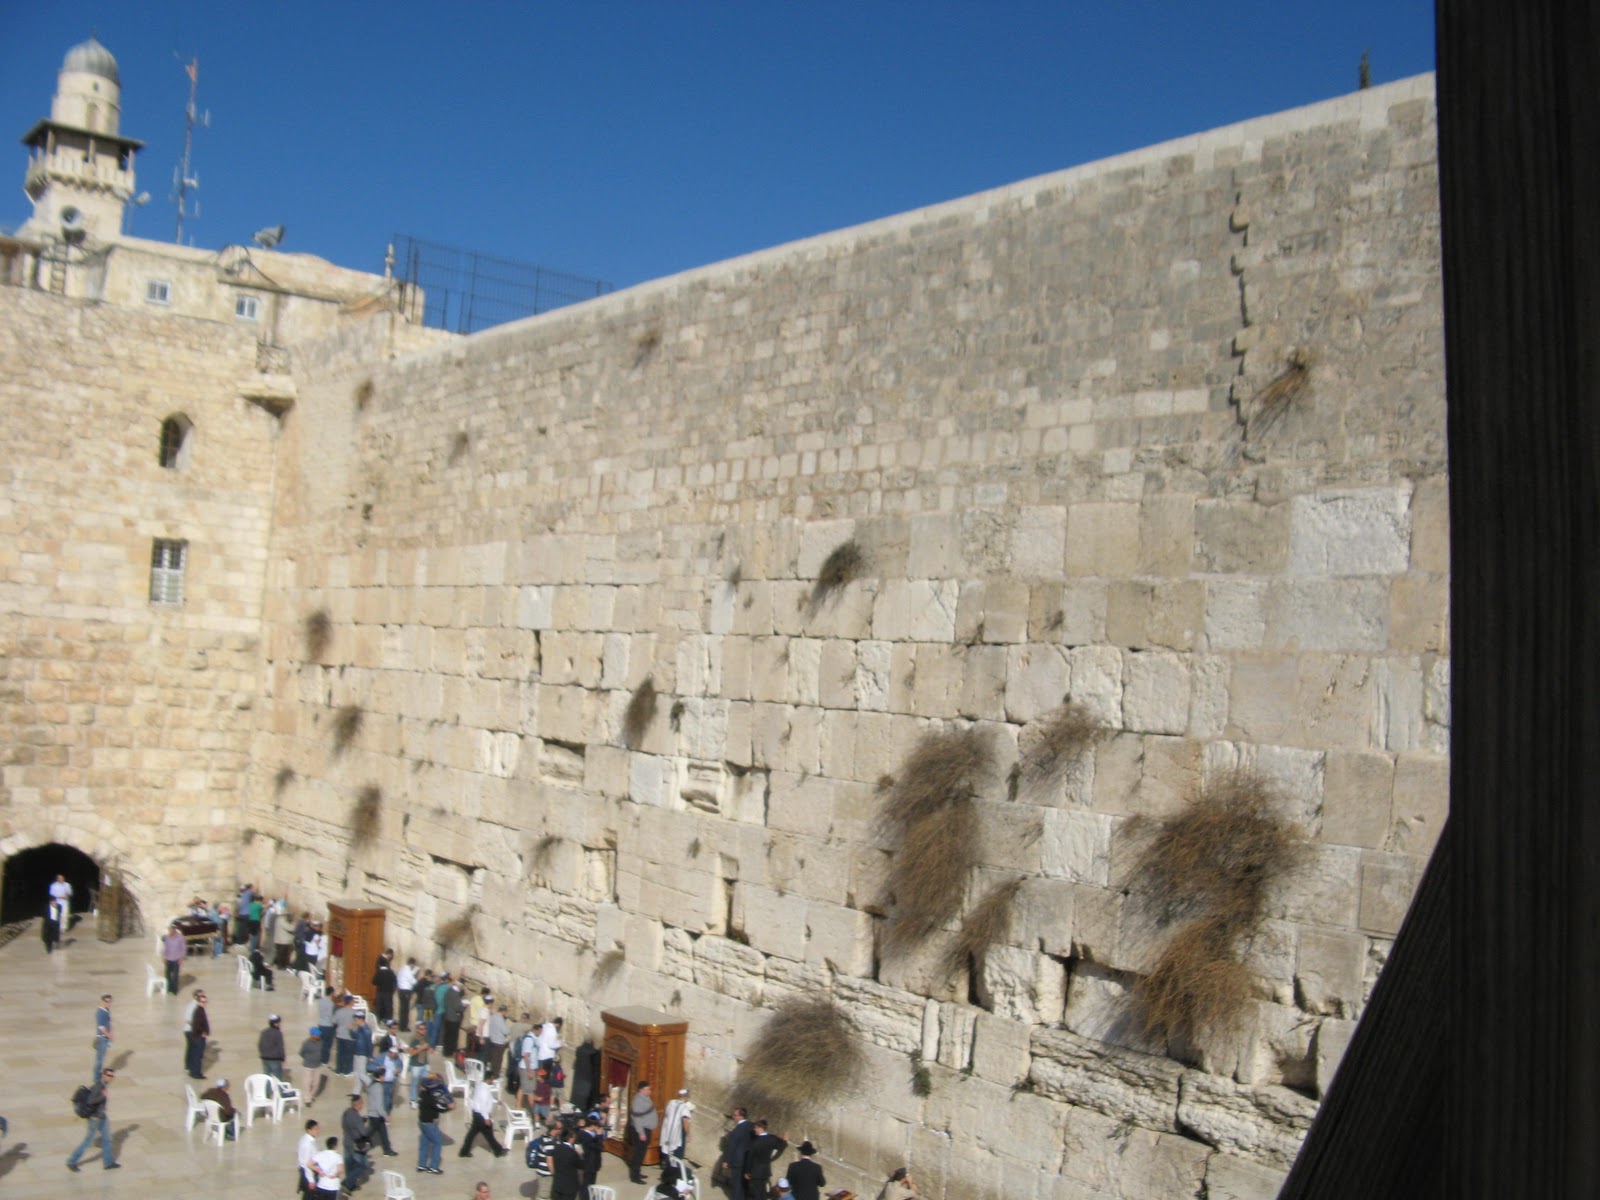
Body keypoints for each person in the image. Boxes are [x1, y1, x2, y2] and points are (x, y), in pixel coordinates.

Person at [65, 1066, 119, 1171]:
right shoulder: (99, 1086)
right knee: (88, 1141)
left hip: (102, 1116)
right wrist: (103, 1096)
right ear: (103, 1075)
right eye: (108, 1075)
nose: (110, 1077)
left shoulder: (103, 1085)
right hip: (95, 1118)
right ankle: (71, 1161)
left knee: (107, 1139)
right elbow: (91, 1101)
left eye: (112, 1076)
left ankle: (108, 1163)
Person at [458, 1077, 506, 1158]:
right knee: (489, 1135)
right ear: (489, 1079)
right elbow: (483, 1105)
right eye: (492, 1079)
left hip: (477, 1114)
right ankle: (498, 1151)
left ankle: (464, 1151)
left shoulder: (481, 1086)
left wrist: (496, 1101)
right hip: (481, 1115)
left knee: (472, 1134)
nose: (492, 1081)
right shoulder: (484, 1090)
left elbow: (488, 1099)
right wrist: (486, 1118)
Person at [416, 1067, 451, 1175]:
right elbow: (440, 1108)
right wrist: (449, 1107)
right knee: (438, 1143)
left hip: (422, 1123)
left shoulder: (422, 1094)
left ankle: (421, 1165)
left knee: (424, 1144)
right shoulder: (430, 1098)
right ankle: (433, 1167)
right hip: (429, 1124)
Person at [742, 1121, 788, 1198]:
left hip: (755, 1171)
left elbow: (750, 1158)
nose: (754, 1129)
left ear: (760, 1128)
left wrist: (747, 1171)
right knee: (762, 1191)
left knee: (756, 1193)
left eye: (756, 1127)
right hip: (765, 1171)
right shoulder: (771, 1138)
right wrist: (785, 1141)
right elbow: (781, 1147)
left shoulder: (755, 1142)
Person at [629, 1080, 658, 1184]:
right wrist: (641, 1133)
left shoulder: (645, 1098)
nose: (649, 1091)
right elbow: (637, 1119)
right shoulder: (638, 1102)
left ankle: (638, 1172)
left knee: (641, 1153)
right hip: (641, 1131)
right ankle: (635, 1176)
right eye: (647, 1089)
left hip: (646, 1129)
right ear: (641, 1090)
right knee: (638, 1154)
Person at [365, 1066, 398, 1157]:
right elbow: (379, 1105)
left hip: (372, 1113)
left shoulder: (372, 1084)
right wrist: (385, 1115)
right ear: (380, 1076)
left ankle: (387, 1150)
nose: (384, 1077)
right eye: (383, 1076)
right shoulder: (379, 1087)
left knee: (383, 1133)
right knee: (370, 1132)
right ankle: (360, 1143)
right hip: (376, 1115)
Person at [721, 1108, 754, 1200]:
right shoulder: (751, 1125)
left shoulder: (737, 1130)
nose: (733, 1116)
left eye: (735, 1115)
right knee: (744, 1183)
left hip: (737, 1160)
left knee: (736, 1183)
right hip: (747, 1159)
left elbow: (732, 1146)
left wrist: (726, 1160)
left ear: (741, 1116)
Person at [547, 1126, 583, 1200]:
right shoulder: (572, 1152)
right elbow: (581, 1165)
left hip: (557, 1185)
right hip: (569, 1187)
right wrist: (580, 1155)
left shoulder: (557, 1148)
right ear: (571, 1138)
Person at [340, 1093, 369, 1189]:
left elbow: (345, 1124)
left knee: (349, 1165)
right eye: (362, 1103)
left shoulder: (346, 1112)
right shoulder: (356, 1116)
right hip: (355, 1144)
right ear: (358, 1104)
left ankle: (351, 1184)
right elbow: (363, 1132)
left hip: (346, 1141)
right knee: (362, 1165)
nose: (363, 1105)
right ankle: (347, 1183)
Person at [660, 1086, 692, 1162]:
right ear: (686, 1097)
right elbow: (685, 1121)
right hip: (675, 1133)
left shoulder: (671, 1102)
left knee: (667, 1148)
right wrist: (688, 1134)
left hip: (667, 1130)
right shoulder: (684, 1107)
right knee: (675, 1151)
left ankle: (666, 1163)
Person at [184, 990, 210, 1079]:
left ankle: (189, 1067)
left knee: (192, 1050)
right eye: (201, 996)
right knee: (196, 1053)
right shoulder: (194, 1007)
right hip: (193, 1032)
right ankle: (194, 1071)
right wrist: (200, 1031)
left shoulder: (198, 1007)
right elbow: (189, 1019)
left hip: (192, 1031)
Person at [299, 1026, 327, 1106]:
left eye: (318, 1035)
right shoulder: (306, 1043)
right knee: (307, 1083)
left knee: (316, 1083)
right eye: (316, 1035)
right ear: (311, 1035)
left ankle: (311, 1095)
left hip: (317, 1065)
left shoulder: (321, 1042)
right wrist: (308, 1058)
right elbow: (302, 1053)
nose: (318, 1036)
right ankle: (307, 1099)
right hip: (307, 1066)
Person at [372, 950, 397, 1025]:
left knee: (379, 1005)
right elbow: (394, 981)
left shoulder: (379, 972)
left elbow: (374, 982)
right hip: (388, 991)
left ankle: (377, 1019)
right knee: (388, 1006)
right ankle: (388, 1020)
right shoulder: (391, 972)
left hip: (380, 991)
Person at [259, 1014, 287, 1080]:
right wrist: (283, 1058)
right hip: (275, 1059)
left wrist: (263, 1054)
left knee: (267, 1077)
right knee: (277, 1078)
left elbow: (260, 1045)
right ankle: (278, 1090)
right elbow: (280, 1047)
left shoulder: (264, 1032)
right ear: (276, 1024)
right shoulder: (278, 1033)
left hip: (265, 1058)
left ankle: (267, 1090)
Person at [297, 1118, 320, 1195]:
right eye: (315, 1129)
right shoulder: (308, 1144)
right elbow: (307, 1163)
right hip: (309, 1172)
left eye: (318, 1129)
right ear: (309, 1130)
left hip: (307, 1170)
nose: (318, 1131)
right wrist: (311, 1180)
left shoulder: (305, 1138)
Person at [92, 994, 113, 1078]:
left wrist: (111, 1033)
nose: (109, 1003)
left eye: (110, 1001)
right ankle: (96, 1077)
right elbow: (101, 1027)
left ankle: (99, 1073)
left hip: (106, 1037)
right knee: (99, 1059)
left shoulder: (107, 1010)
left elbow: (109, 1022)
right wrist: (108, 1035)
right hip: (101, 1038)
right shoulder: (100, 1013)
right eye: (107, 1001)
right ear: (102, 1001)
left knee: (102, 1057)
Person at [161, 923, 186, 993]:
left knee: (175, 975)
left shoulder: (180, 938)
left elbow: (183, 949)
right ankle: (169, 988)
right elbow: (165, 948)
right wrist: (163, 957)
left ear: (174, 930)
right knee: (167, 975)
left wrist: (181, 958)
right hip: (168, 958)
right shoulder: (167, 937)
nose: (170, 932)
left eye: (171, 930)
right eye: (169, 930)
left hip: (176, 959)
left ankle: (175, 990)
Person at [396, 957, 418, 1030]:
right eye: (414, 965)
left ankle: (401, 1025)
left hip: (401, 990)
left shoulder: (402, 969)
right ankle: (404, 1026)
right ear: (411, 964)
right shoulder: (407, 970)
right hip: (406, 991)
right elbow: (412, 981)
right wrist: (417, 980)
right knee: (405, 1010)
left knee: (402, 1009)